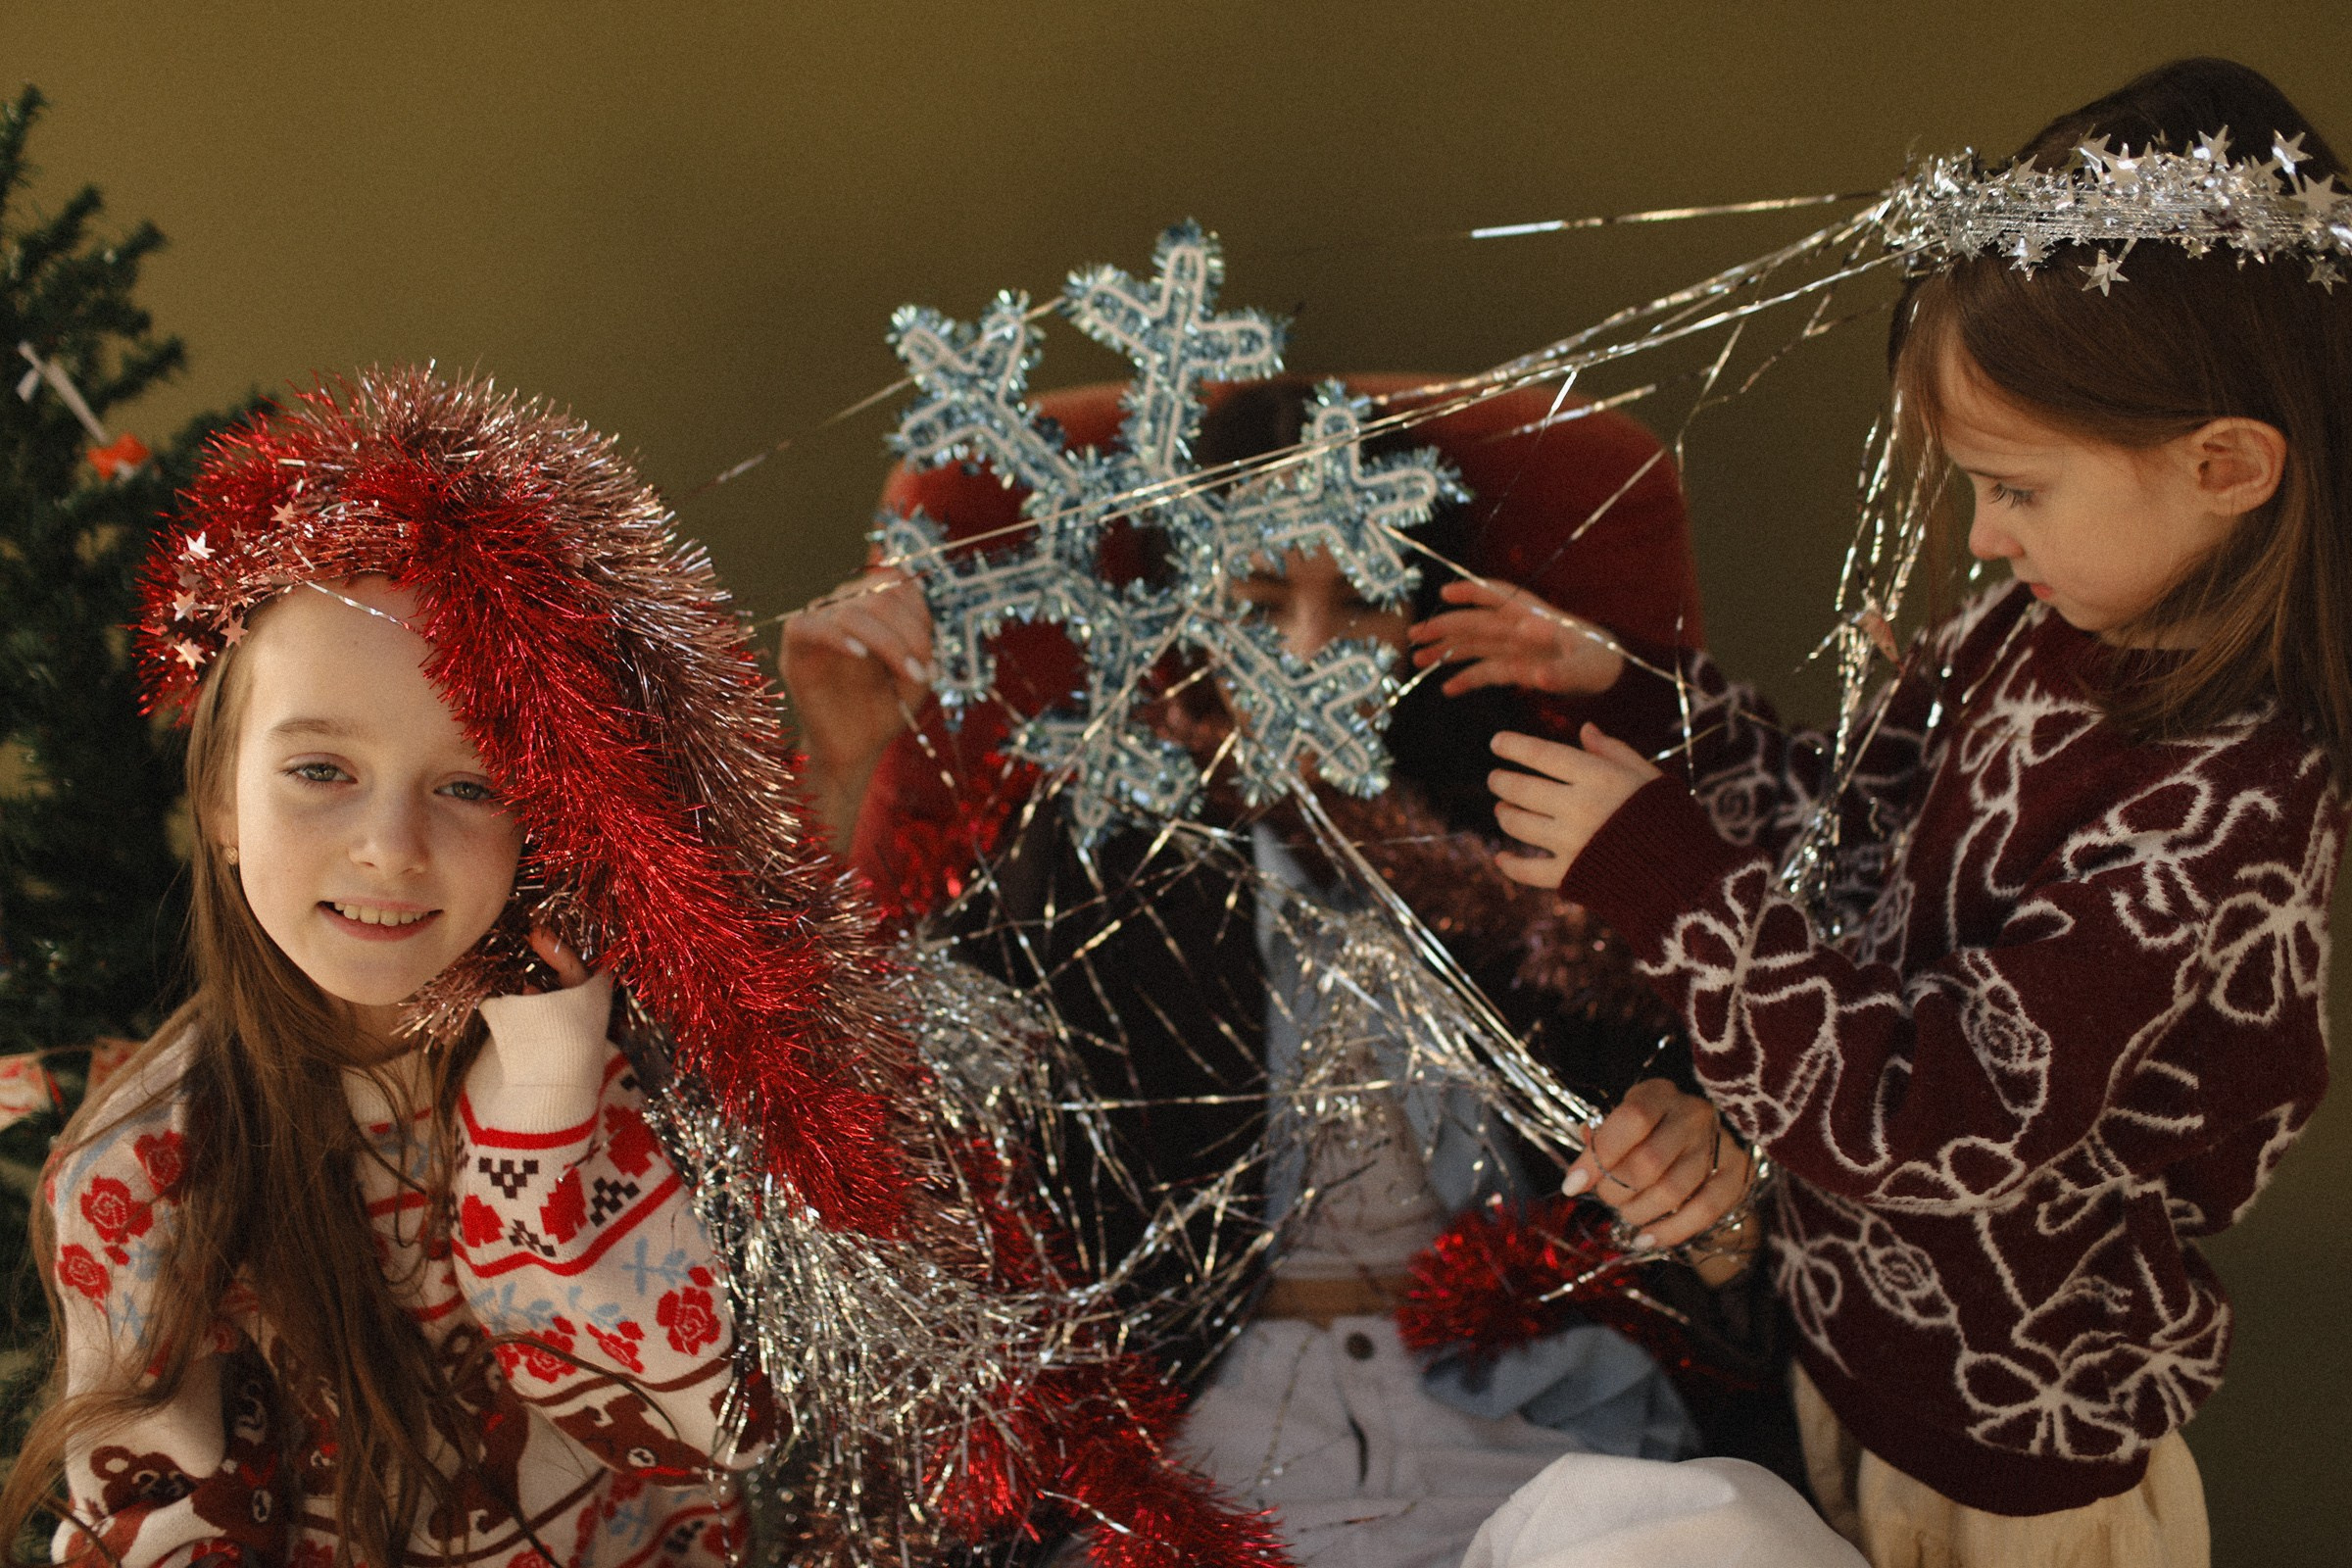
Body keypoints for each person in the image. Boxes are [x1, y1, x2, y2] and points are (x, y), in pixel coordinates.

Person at [1430, 58, 2348, 1568]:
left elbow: (1936, 1115)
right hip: (1856, 1358)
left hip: (2023, 1467)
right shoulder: (2032, 634)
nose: (1983, 536)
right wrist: (1644, 696)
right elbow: (1857, 854)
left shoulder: (2225, 807)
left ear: (2227, 467)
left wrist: (1660, 869)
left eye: (2018, 488)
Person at [784, 375, 1807, 1565]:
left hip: (1535, 1430)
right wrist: (842, 772)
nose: (1310, 654)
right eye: (1262, 603)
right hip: (1205, 1452)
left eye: (1360, 605)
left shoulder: (1544, 849)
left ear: (1424, 618)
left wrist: (1720, 1209)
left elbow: (1729, 1225)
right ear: (1187, 619)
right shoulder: (1089, 852)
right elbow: (874, 1114)